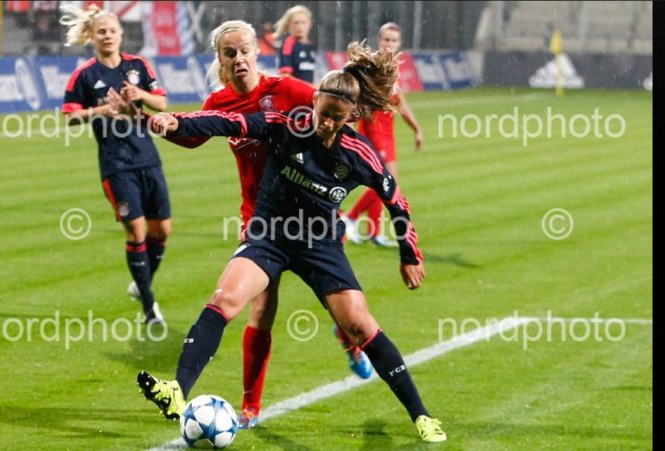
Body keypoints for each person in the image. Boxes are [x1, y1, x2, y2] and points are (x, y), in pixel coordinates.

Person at [136, 41, 446, 443]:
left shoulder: (359, 153)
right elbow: (228, 123)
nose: (327, 123)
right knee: (225, 299)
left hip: (320, 245)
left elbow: (397, 203)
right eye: (324, 112)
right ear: (313, 100)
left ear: (351, 115)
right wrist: (176, 122)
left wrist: (409, 255)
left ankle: (421, 415)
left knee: (358, 323)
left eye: (338, 117)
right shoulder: (284, 124)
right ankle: (177, 389)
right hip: (268, 235)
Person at [149, 20, 374, 429]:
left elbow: (331, 109)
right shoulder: (219, 101)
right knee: (261, 307)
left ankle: (349, 340)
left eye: (244, 50)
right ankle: (251, 407)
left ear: (256, 52)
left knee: (341, 307)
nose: (239, 58)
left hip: (310, 220)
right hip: (261, 220)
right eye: (230, 53)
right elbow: (194, 134)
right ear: (220, 61)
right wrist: (166, 125)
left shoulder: (287, 90)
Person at [60, 4, 170, 324]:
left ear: (121, 35)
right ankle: (149, 307)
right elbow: (69, 116)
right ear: (92, 37)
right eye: (101, 32)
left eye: (112, 31)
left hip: (148, 158)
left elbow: (162, 102)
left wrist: (140, 95)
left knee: (162, 230)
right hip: (116, 165)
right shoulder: (85, 75)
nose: (107, 36)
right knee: (136, 231)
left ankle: (140, 283)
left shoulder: (138, 66)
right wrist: (100, 111)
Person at [342, 23, 423, 248]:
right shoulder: (374, 67)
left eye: (394, 41)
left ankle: (374, 231)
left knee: (380, 182)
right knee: (388, 182)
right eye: (386, 40)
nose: (389, 44)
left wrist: (416, 128)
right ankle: (350, 217)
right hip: (374, 130)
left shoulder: (393, 69)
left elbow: (400, 103)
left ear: (399, 43)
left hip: (388, 133)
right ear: (379, 40)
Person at [273, 5, 315, 84]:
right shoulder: (288, 44)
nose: (300, 26)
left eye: (303, 22)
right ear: (289, 25)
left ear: (310, 24)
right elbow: (285, 76)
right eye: (296, 23)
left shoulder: (310, 45)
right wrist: (308, 87)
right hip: (295, 91)